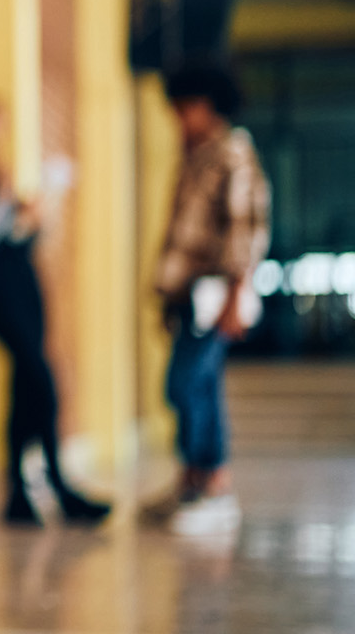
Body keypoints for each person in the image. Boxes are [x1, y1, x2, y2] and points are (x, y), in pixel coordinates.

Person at [0, 100, 111, 527]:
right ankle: (56, 482)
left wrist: (31, 213)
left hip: (21, 279)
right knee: (41, 379)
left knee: (24, 387)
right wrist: (3, 198)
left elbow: (10, 229)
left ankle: (19, 493)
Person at [153, 61, 270, 537]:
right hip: (187, 293)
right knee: (199, 386)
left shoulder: (232, 152)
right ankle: (193, 480)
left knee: (183, 385)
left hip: (214, 294)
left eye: (183, 109)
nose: (178, 119)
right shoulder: (195, 153)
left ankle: (215, 484)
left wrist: (235, 297)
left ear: (205, 105)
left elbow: (246, 226)